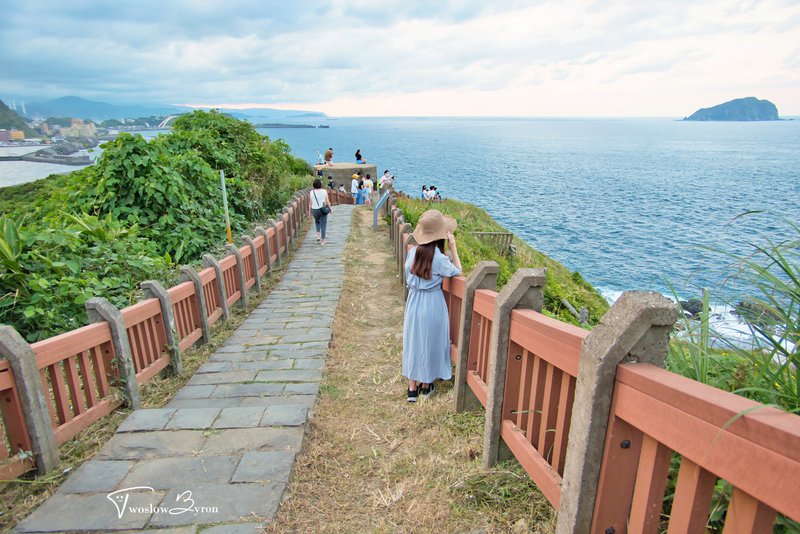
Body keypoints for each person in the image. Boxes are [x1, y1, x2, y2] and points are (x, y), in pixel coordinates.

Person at [402, 210, 462, 402]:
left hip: (413, 301)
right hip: (432, 301)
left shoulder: (412, 253)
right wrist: (453, 248)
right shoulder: (438, 258)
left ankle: (412, 389)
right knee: (430, 341)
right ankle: (426, 385)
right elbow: (457, 271)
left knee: (413, 341)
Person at [309, 178, 332, 245]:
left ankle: (318, 235)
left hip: (314, 210)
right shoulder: (324, 191)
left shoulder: (311, 192)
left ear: (314, 185)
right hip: (322, 209)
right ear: (321, 185)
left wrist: (309, 212)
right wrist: (330, 209)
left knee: (317, 222)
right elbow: (327, 202)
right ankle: (323, 240)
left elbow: (310, 203)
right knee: (323, 224)